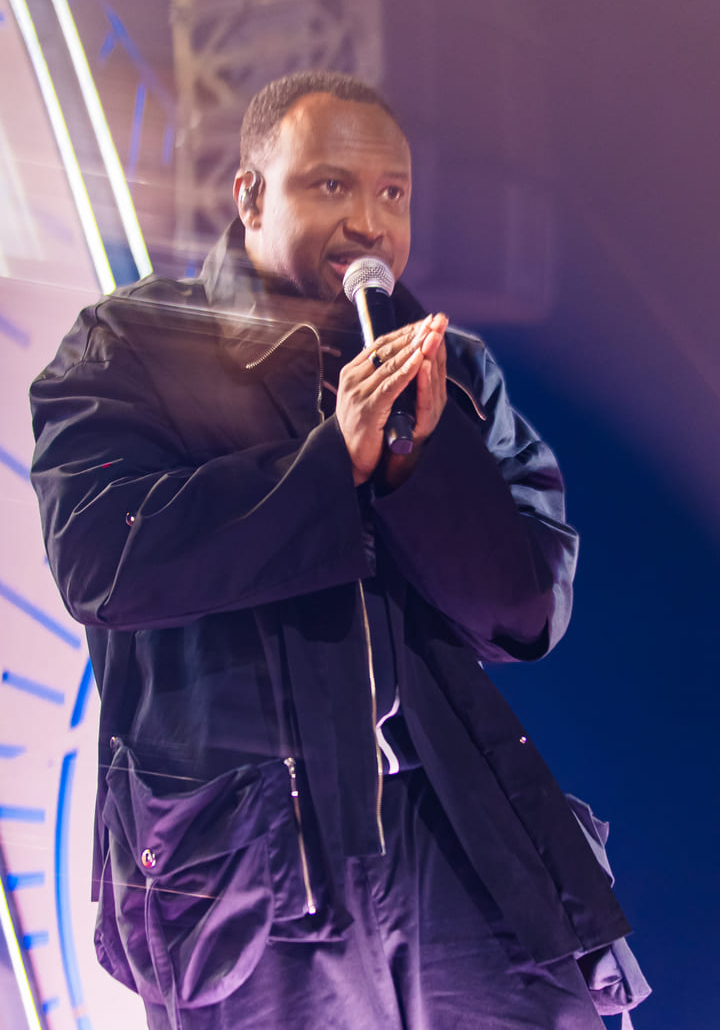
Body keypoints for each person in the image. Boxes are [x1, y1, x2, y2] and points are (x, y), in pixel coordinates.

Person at [30, 71, 630, 1030]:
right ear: (250, 196)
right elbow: (100, 555)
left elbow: (525, 613)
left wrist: (415, 470)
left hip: (460, 843)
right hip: (248, 862)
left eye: (393, 193)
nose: (369, 221)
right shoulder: (133, 345)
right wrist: (328, 464)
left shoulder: (451, 368)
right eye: (331, 185)